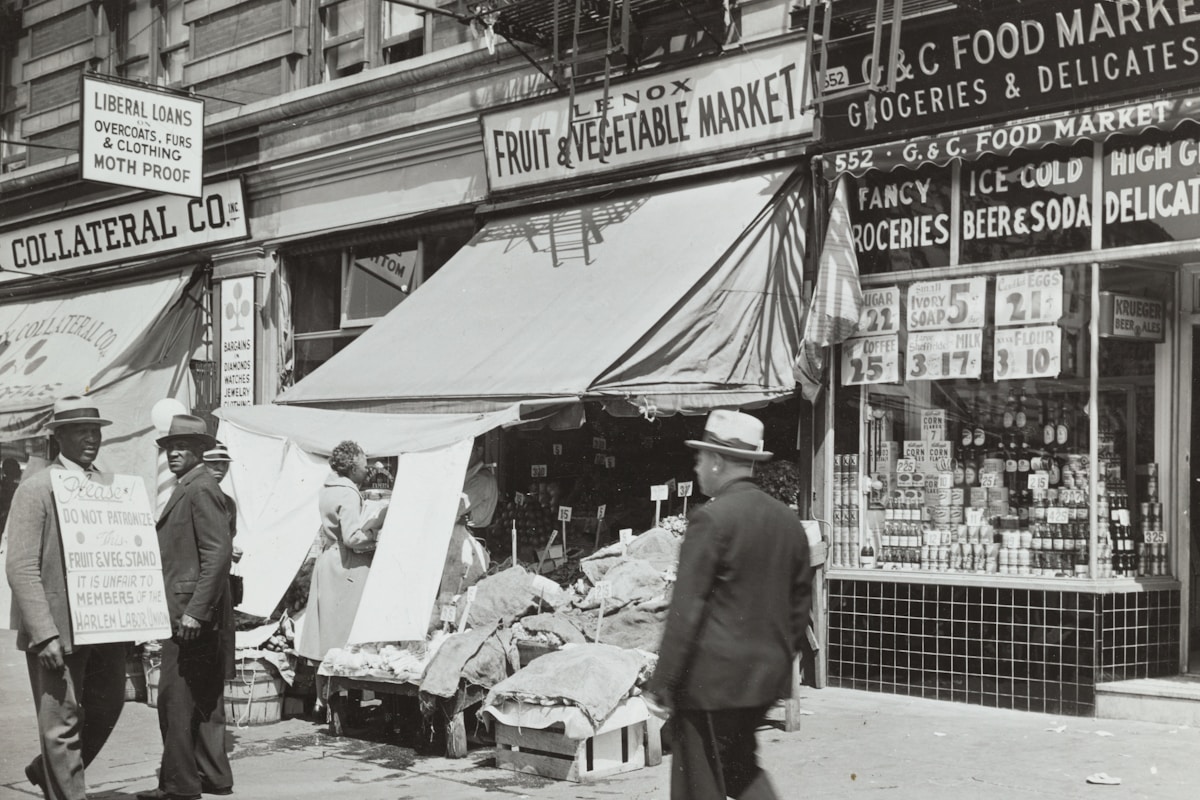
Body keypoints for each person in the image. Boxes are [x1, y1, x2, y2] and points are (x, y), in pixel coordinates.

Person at [643, 409, 813, 800]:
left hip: (710, 684)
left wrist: (663, 682)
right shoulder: (788, 522)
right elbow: (799, 608)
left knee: (697, 783)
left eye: (701, 458)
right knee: (738, 768)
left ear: (718, 461)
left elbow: (687, 611)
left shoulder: (712, 520)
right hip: (762, 680)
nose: (697, 466)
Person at [6, 396, 127, 800]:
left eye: (95, 430)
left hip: (104, 624)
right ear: (59, 437)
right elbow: (20, 566)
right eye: (80, 431)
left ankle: (47, 771)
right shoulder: (37, 488)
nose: (91, 438)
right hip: (57, 627)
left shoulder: (109, 488)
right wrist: (43, 633)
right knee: (61, 721)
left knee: (109, 705)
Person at [139, 415, 234, 800]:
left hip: (189, 613)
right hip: (194, 608)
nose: (174, 453)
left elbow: (218, 552)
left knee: (174, 700)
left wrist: (196, 610)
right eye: (169, 447)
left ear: (200, 451)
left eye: (183, 447)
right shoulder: (196, 486)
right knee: (205, 696)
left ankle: (179, 785)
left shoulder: (199, 489)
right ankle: (214, 775)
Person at [296, 440, 380, 686]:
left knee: (328, 633)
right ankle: (344, 694)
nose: (367, 471)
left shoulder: (328, 488)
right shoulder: (349, 492)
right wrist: (375, 536)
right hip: (348, 565)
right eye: (364, 466)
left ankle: (326, 697)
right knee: (346, 635)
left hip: (329, 559)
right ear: (353, 468)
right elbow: (353, 537)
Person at [428, 438, 495, 631]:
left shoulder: (481, 479)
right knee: (450, 593)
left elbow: (454, 508)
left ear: (479, 451)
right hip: (458, 541)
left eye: (469, 449)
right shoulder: (467, 476)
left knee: (461, 592)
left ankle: (453, 631)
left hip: (472, 543)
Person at [203, 442, 243, 606]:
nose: (220, 468)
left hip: (219, 580)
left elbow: (228, 537)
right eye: (214, 463)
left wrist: (231, 550)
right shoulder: (191, 496)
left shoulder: (228, 503)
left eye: (224, 464)